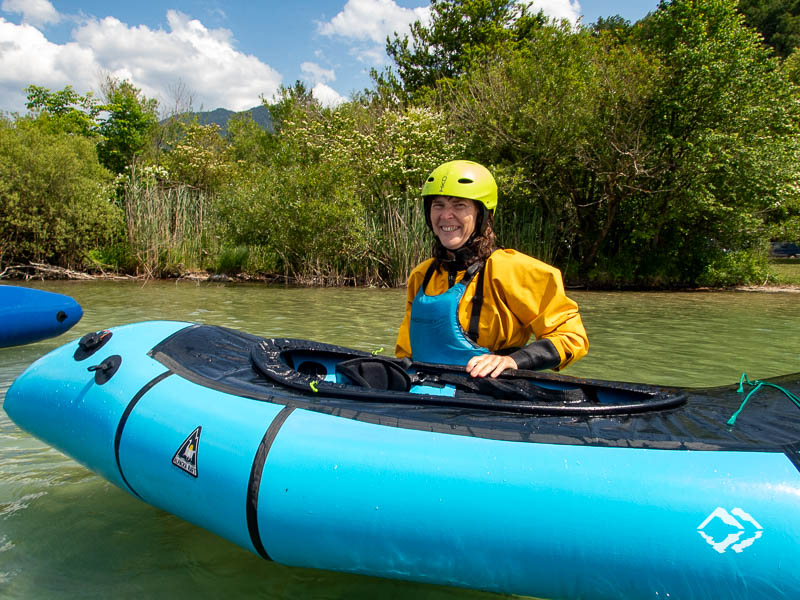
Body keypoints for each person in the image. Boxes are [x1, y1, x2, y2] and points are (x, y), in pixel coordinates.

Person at [395, 160, 588, 378]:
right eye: (438, 205)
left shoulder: (511, 270)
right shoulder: (422, 275)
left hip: (489, 393)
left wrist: (513, 360)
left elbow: (571, 337)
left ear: (481, 214)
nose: (446, 215)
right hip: (428, 391)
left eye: (459, 205)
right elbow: (406, 353)